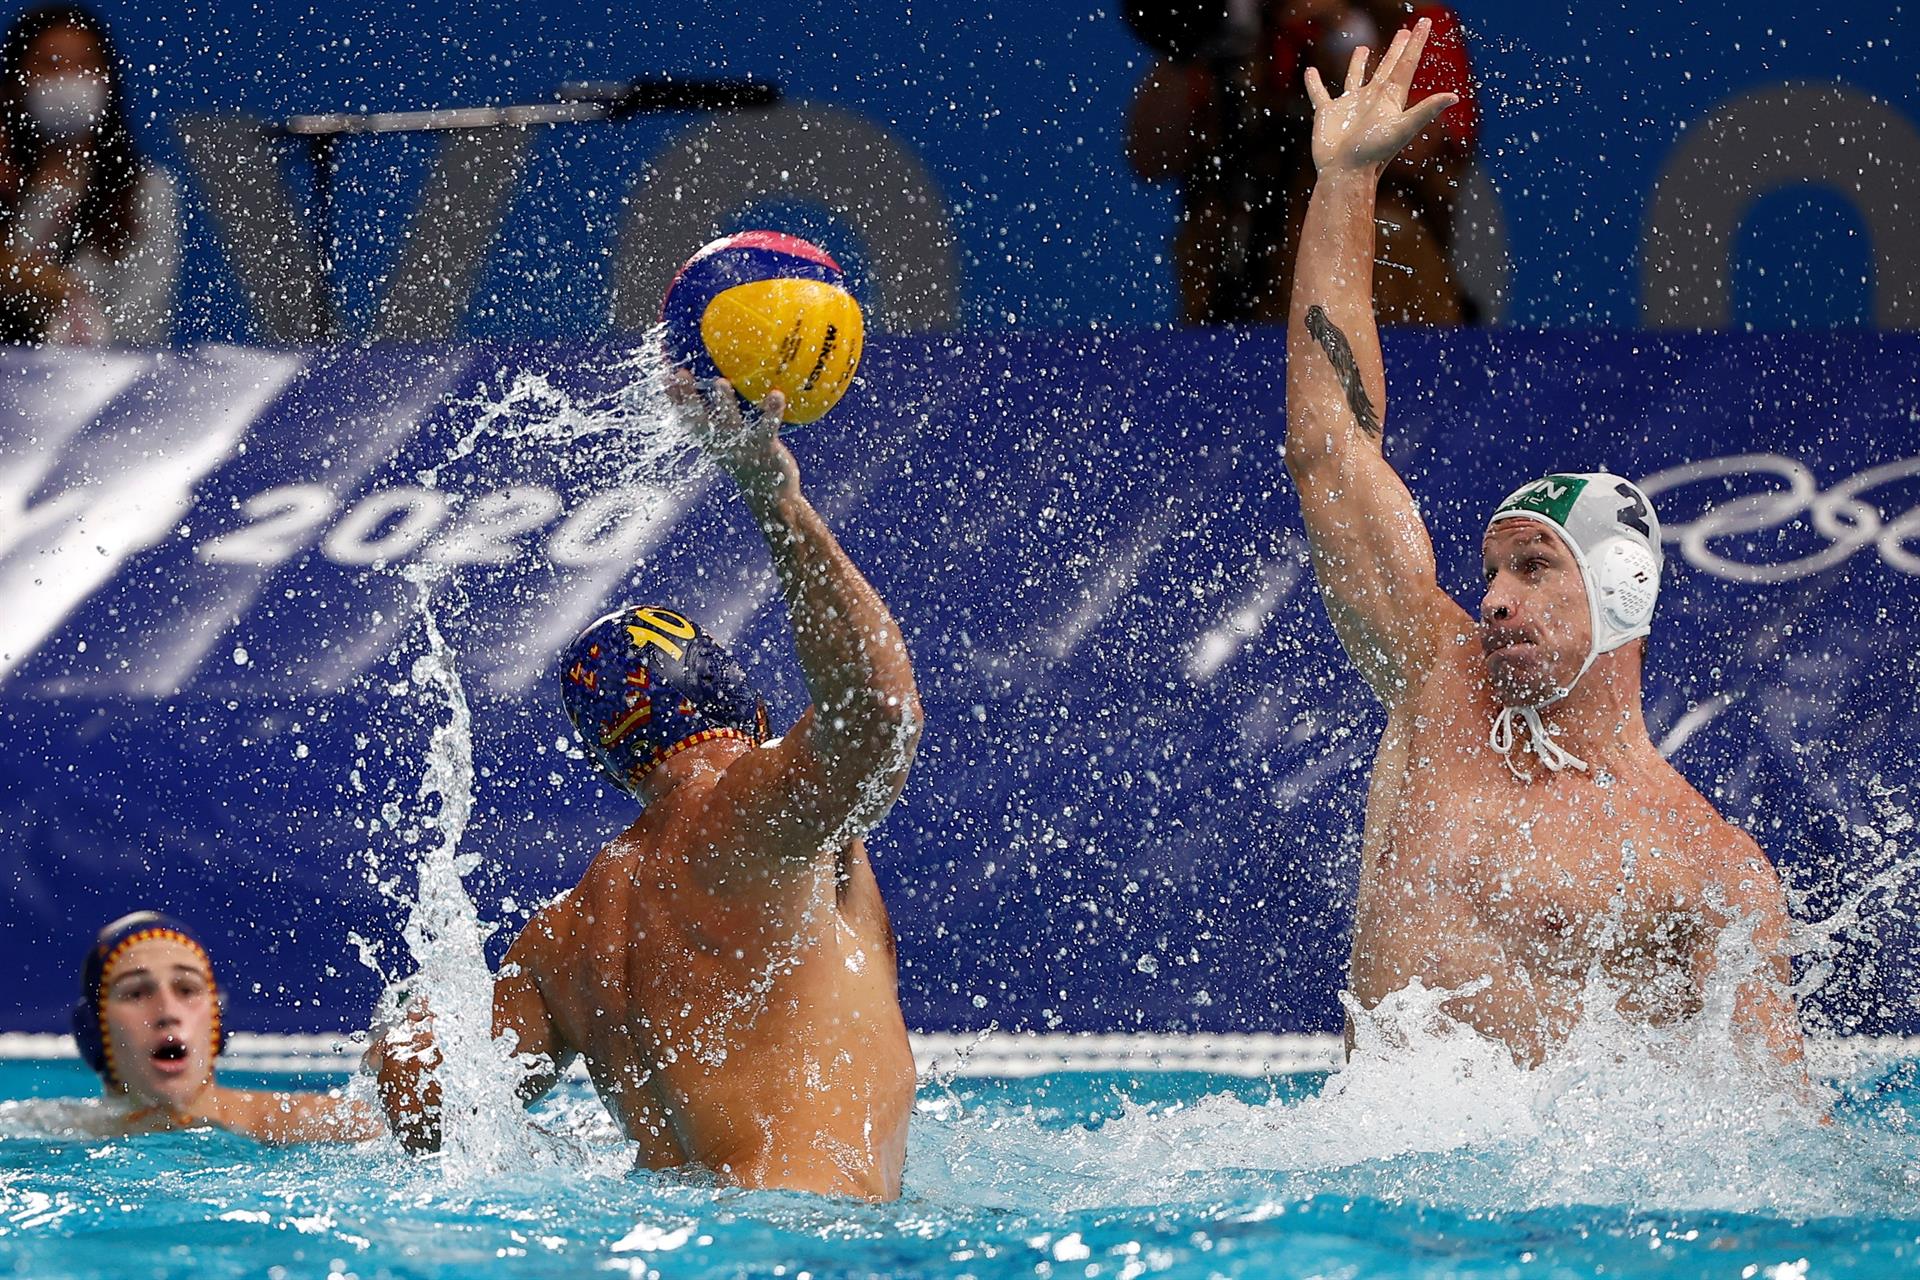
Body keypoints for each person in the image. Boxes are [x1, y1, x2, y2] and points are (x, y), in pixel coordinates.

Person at [1283, 20, 1806, 1070]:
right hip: (1361, 1158)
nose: (1493, 599)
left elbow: (1775, 1126)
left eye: (1532, 565)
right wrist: (1344, 183)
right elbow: (1330, 450)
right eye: (1490, 570)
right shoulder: (1440, 680)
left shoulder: (1707, 869)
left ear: (1620, 586)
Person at [370, 375, 923, 1200]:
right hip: (812, 1236)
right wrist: (778, 502)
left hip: (673, 1240)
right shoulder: (753, 819)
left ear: (613, 764)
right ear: (749, 709)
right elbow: (880, 712)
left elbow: (424, 1107)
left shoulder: (566, 934)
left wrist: (404, 1032)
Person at [1126, 0, 1477, 325]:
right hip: (1242, 296)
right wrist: (1190, 41)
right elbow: (1150, 156)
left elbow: (1417, 150)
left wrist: (1343, 33)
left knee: (1387, 230)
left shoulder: (1408, 17)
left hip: (1386, 305)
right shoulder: (1232, 26)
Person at [65, 911, 384, 1142]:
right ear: (93, 1030)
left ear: (218, 1020)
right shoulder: (61, 1132)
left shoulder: (311, 1123)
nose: (168, 1012)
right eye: (136, 993)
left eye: (187, 989)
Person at [0, 4, 178, 345]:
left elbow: (141, 328)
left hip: (91, 375)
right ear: (16, 83)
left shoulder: (144, 190)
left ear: (109, 80)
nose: (69, 80)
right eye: (51, 65)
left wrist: (57, 296)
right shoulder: (8, 183)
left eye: (85, 65)